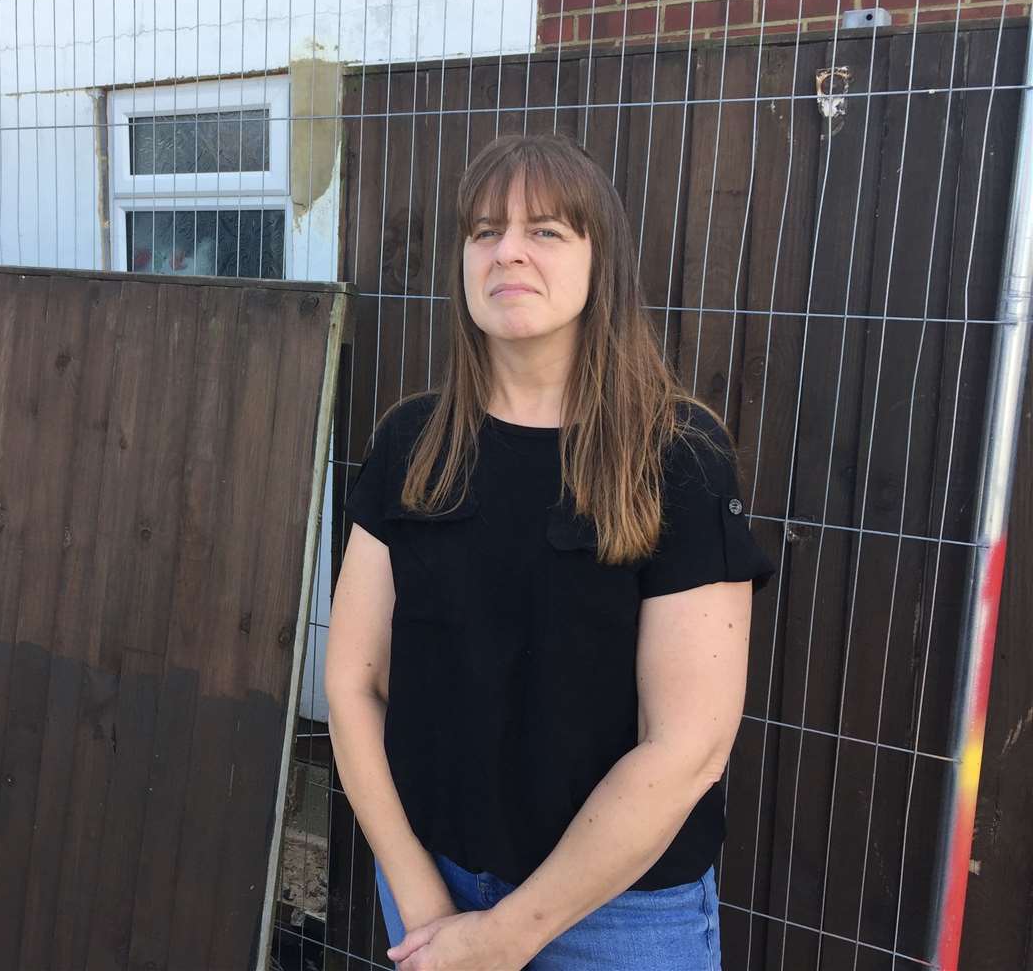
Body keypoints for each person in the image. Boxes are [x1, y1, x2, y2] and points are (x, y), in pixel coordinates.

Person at [325, 133, 777, 971]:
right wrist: (420, 894)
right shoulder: (410, 445)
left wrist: (509, 934)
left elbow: (688, 747)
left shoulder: (677, 457)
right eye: (485, 230)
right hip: (431, 883)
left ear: (600, 258)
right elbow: (351, 683)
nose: (508, 253)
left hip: (616, 918)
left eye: (546, 231)